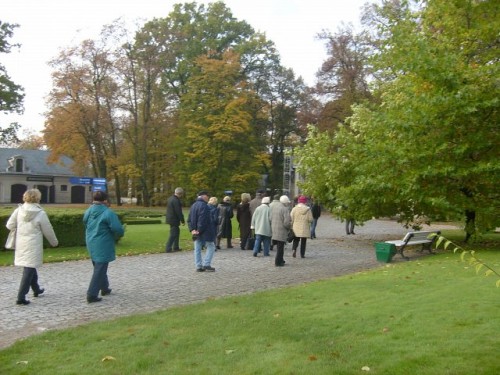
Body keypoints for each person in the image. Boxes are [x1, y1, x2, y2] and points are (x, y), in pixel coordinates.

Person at [7, 188, 58, 305]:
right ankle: (21, 297)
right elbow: (48, 230)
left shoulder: (18, 210)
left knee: (30, 265)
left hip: (21, 243)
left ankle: (36, 289)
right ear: (38, 198)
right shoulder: (40, 213)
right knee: (29, 268)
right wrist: (54, 242)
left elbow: (9, 225)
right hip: (33, 243)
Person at [84, 191, 125, 303]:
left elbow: (84, 221)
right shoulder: (108, 213)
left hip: (91, 241)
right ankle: (91, 294)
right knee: (100, 268)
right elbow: (118, 229)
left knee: (98, 266)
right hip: (102, 242)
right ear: (105, 200)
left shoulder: (89, 210)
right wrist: (120, 232)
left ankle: (104, 288)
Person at [187, 191, 216, 272]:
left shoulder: (193, 205)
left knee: (197, 249)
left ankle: (198, 266)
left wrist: (192, 230)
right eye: (207, 196)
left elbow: (189, 220)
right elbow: (202, 220)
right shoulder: (204, 206)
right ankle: (206, 264)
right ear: (203, 196)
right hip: (204, 231)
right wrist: (199, 230)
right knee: (211, 246)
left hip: (196, 231)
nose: (208, 198)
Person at [271, 195, 292, 267]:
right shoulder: (285, 209)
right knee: (280, 247)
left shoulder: (275, 207)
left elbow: (270, 218)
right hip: (282, 230)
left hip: (274, 228)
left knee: (279, 246)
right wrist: (290, 227)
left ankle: (281, 260)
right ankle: (278, 262)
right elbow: (286, 222)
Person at [165, 187, 185, 252]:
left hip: (170, 218)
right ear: (180, 194)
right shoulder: (176, 200)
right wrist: (182, 220)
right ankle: (168, 247)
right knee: (173, 234)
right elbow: (178, 211)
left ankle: (176, 246)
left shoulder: (170, 199)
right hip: (174, 219)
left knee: (176, 232)